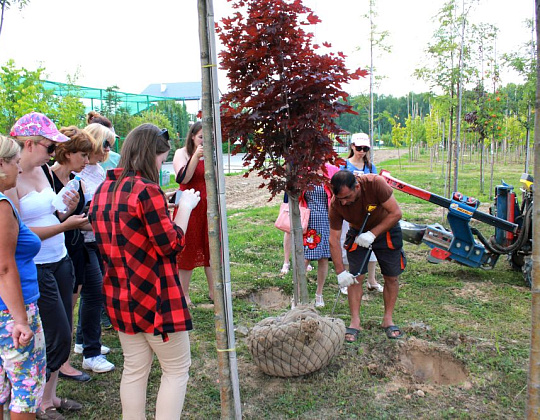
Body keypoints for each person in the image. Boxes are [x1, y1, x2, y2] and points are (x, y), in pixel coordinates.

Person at [89, 123, 200, 419]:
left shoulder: (103, 189)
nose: (161, 164)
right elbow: (171, 245)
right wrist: (185, 207)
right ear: (151, 154)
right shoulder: (147, 191)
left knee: (135, 369)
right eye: (161, 158)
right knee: (176, 370)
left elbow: (131, 224)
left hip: (119, 296)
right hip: (155, 298)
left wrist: (163, 205)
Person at [6, 112, 88, 420]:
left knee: (61, 336)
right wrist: (65, 226)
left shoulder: (42, 171)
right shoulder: (10, 179)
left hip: (59, 258)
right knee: (57, 336)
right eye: (49, 147)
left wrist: (63, 211)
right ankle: (38, 400)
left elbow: (48, 216)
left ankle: (48, 398)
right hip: (37, 266)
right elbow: (18, 235)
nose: (53, 153)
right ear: (29, 144)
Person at [53, 127, 114, 380]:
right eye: (82, 155)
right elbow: (57, 218)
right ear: (68, 154)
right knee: (72, 303)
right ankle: (78, 356)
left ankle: (80, 348)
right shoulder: (52, 177)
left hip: (79, 243)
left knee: (83, 297)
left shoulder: (75, 177)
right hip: (69, 245)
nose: (87, 160)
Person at [329, 170, 406, 343]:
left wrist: (373, 234)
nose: (344, 202)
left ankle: (388, 320)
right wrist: (340, 272)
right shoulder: (336, 204)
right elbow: (333, 239)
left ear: (356, 186)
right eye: (340, 199)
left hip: (386, 229)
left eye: (347, 197)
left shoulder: (375, 184)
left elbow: (396, 213)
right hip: (357, 232)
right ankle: (355, 322)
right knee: (356, 277)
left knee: (391, 276)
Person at [0, 134, 46, 419]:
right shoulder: (2, 205)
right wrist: (20, 320)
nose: (19, 169)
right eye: (16, 162)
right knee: (25, 390)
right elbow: (4, 268)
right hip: (11, 311)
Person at [71, 123, 117, 360]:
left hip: (97, 239)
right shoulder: (79, 172)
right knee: (94, 295)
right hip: (84, 240)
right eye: (106, 144)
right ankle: (91, 352)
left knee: (92, 294)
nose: (109, 150)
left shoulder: (98, 169)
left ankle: (82, 341)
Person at [173, 121, 213, 306]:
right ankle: (184, 294)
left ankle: (214, 292)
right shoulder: (181, 153)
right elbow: (184, 178)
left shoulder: (212, 153)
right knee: (186, 250)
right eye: (201, 137)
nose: (204, 141)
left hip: (208, 207)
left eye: (207, 137)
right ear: (192, 136)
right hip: (189, 206)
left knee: (211, 249)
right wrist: (195, 158)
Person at [340, 133, 383, 293]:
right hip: (349, 212)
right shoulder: (344, 166)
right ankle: (347, 280)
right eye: (359, 148)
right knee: (347, 243)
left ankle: (371, 280)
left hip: (367, 212)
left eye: (365, 148)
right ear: (352, 147)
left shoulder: (371, 168)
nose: (362, 151)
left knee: (371, 244)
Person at [301, 163, 339, 307]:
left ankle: (319, 294)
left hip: (325, 219)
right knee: (305, 257)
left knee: (323, 257)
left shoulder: (331, 170)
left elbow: (337, 194)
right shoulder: (304, 171)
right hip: (308, 219)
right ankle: (297, 294)